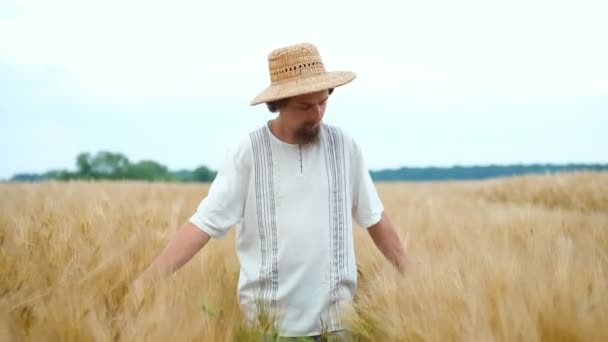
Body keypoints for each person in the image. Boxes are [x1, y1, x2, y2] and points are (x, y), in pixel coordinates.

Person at [132, 43, 408, 340]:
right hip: (269, 329)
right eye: (304, 106)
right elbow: (204, 223)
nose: (316, 115)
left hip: (339, 326)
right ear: (277, 104)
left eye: (323, 102)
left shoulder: (344, 147)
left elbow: (374, 217)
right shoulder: (248, 153)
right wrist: (145, 283)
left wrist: (414, 278)